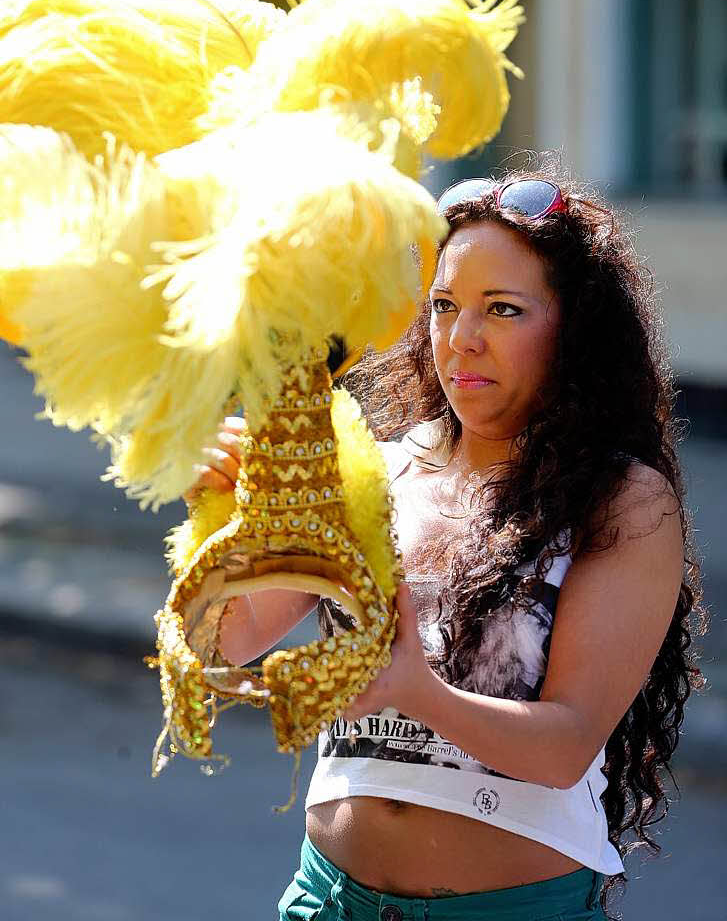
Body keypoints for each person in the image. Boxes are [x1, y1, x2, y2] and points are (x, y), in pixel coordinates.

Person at [184, 161, 707, 921]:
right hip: (326, 900)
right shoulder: (372, 470)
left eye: (501, 310)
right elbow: (217, 644)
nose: (461, 339)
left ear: (573, 329)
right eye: (442, 305)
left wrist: (417, 693)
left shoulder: (622, 501)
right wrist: (222, 522)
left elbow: (564, 746)